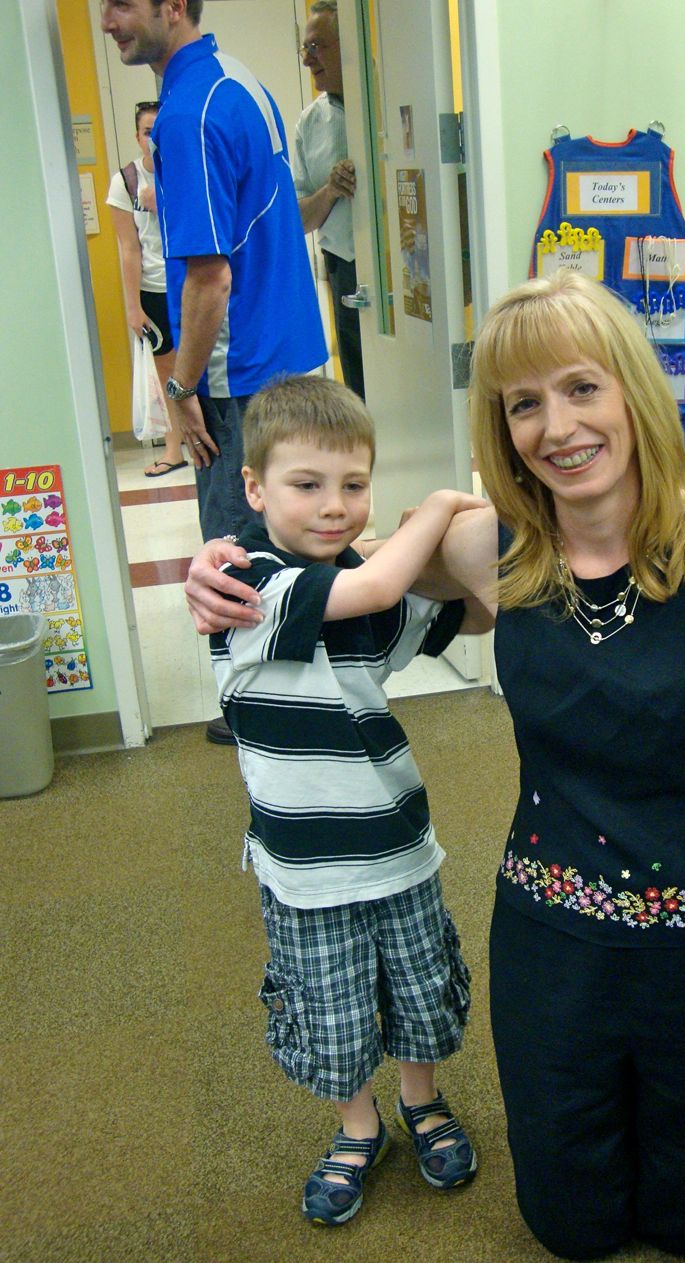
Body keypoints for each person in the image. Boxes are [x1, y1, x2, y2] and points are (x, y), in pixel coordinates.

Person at [184, 270, 685, 1262]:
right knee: (569, 1227)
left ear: (631, 392)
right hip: (552, 940)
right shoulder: (498, 547)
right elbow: (327, 549)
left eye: (579, 388)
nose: (555, 425)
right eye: (523, 403)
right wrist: (221, 563)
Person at [210, 374, 487, 1226]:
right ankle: (357, 1125)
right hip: (306, 871)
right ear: (255, 489)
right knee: (330, 1013)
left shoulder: (359, 576)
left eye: (355, 485)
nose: (335, 508)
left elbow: (464, 618)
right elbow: (369, 592)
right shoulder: (251, 587)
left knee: (418, 991)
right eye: (307, 484)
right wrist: (439, 507)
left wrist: (468, 556)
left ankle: (421, 1099)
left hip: (398, 847)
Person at [100, 0, 328, 745]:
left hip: (242, 373)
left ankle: (258, 708)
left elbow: (208, 279)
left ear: (173, 6)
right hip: (292, 354)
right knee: (292, 532)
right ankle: (308, 691)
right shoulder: (243, 82)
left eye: (122, 4)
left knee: (233, 547)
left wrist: (181, 389)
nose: (109, 21)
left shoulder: (188, 111)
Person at [105, 100, 186, 477]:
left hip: (192, 282)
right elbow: (128, 248)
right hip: (154, 288)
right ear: (137, 137)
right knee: (167, 372)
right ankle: (174, 449)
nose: (153, 138)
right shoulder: (125, 180)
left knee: (204, 366)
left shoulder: (188, 171)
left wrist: (164, 202)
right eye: (146, 131)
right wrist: (132, 306)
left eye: (159, 130)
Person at [293, 1, 365, 398]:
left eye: (317, 46)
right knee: (358, 383)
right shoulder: (310, 123)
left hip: (405, 266)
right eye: (304, 49)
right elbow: (298, 219)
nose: (308, 60)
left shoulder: (390, 99)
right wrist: (331, 190)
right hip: (345, 268)